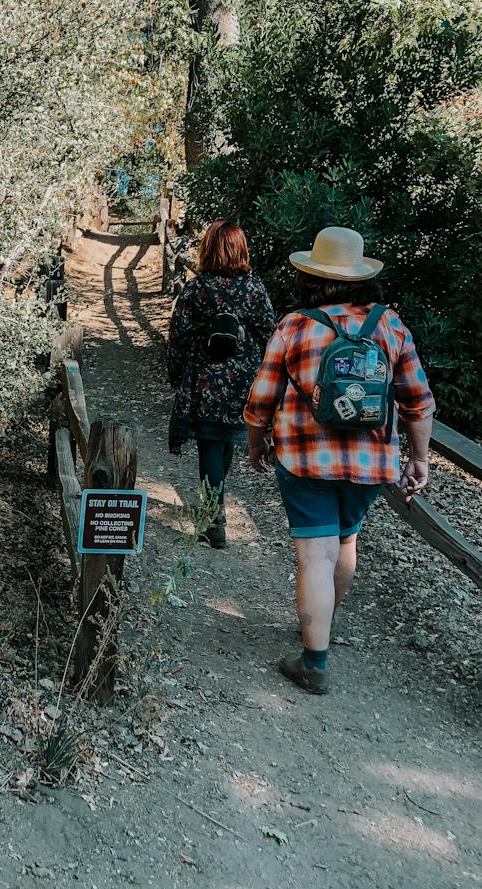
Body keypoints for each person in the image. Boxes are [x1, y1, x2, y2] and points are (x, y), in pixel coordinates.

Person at [244, 226, 436, 695]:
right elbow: (418, 400)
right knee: (345, 542)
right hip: (370, 464)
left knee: (315, 555)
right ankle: (322, 624)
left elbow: (261, 398)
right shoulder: (389, 325)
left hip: (305, 462)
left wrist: (256, 444)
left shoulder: (295, 325)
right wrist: (419, 459)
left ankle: (314, 661)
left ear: (312, 275)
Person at [168, 220, 275, 548]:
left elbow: (179, 332)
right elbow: (269, 330)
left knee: (211, 445)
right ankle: (214, 508)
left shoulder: (198, 288)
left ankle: (215, 519)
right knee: (224, 443)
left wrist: (177, 373)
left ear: (210, 248)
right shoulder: (254, 287)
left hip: (206, 379)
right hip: (244, 380)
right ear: (240, 249)